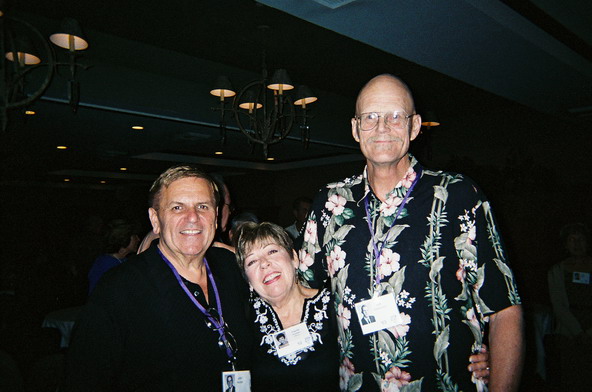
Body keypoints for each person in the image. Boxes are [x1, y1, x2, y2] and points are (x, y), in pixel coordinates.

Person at [298, 74, 523, 391]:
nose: (381, 127)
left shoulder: (457, 195)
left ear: (415, 126)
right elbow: (303, 291)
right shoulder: (329, 203)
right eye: (370, 117)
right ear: (355, 128)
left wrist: (499, 369)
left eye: (395, 116)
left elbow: (504, 309)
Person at [61, 165, 253, 391]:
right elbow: (83, 379)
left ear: (216, 215)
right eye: (177, 207)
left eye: (203, 206)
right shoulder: (119, 288)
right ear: (155, 220)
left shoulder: (234, 269)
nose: (193, 217)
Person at [234, 221, 340, 391]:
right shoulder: (243, 319)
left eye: (272, 251)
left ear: (294, 258)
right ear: (248, 280)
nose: (264, 263)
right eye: (252, 261)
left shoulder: (334, 307)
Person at [547, 222, 591, 390]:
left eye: (581, 239)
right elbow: (559, 306)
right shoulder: (557, 271)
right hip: (568, 335)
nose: (577, 244)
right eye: (572, 240)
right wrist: (578, 333)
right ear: (566, 244)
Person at [87, 219, 140, 294]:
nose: (138, 239)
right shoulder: (106, 265)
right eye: (134, 236)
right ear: (124, 239)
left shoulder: (123, 261)